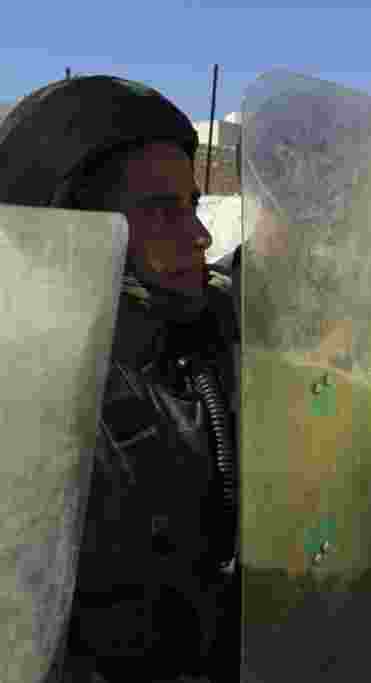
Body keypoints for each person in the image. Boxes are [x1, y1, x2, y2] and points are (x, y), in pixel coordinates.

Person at [0, 75, 240, 683]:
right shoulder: (24, 390)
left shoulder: (200, 334)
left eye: (192, 206)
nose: (200, 235)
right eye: (162, 212)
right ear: (68, 227)